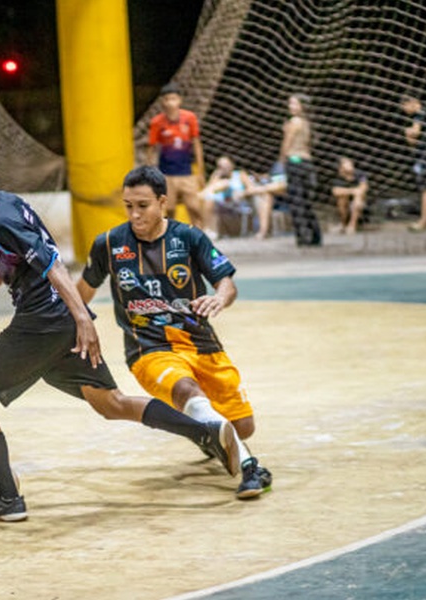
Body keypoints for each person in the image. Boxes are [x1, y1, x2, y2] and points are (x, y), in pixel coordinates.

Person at [0, 152, 245, 523]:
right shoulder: (8, 204)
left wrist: (82, 316)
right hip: (59, 322)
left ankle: (8, 500)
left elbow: (50, 260)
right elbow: (16, 261)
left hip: (42, 323)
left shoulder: (0, 218)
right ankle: (206, 432)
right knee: (110, 403)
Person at [77, 165, 273, 500]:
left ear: (162, 202)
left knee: (243, 427)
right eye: (129, 206)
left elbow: (226, 283)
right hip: (147, 348)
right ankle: (252, 467)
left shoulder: (189, 237)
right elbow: (81, 293)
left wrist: (219, 298)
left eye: (143, 205)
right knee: (186, 390)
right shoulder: (109, 244)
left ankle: (204, 432)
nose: (135, 214)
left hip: (201, 342)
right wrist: (67, 324)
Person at [147, 83, 208, 235]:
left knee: (194, 207)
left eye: (173, 99)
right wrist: (150, 174)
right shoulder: (157, 122)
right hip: (166, 173)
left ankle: (200, 239)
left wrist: (200, 171)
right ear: (162, 102)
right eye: (167, 99)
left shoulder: (189, 118)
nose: (170, 103)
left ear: (179, 100)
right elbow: (152, 148)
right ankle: (169, 241)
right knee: (169, 210)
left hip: (187, 172)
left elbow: (196, 144)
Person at [280, 93, 322, 246]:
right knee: (305, 201)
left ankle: (303, 237)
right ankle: (315, 236)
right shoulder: (307, 123)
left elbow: (287, 143)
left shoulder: (294, 121)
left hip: (295, 161)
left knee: (296, 202)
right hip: (307, 163)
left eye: (294, 103)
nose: (290, 106)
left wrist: (282, 161)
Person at [401, 93, 426, 231]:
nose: (404, 110)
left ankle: (423, 221)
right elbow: (413, 142)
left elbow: (414, 134)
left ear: (413, 102)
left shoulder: (421, 115)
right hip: (423, 156)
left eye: (404, 106)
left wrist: (408, 132)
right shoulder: (422, 116)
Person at [201, 155, 254, 237]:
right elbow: (208, 191)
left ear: (232, 165)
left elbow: (251, 188)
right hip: (222, 204)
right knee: (208, 198)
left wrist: (242, 193)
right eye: (221, 166)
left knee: (220, 187)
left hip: (238, 202)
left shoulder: (240, 174)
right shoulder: (217, 177)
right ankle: (207, 229)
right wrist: (216, 177)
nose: (224, 168)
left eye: (226, 165)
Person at [245, 161, 287, 239]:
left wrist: (259, 189)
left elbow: (283, 185)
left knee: (264, 193)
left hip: (289, 195)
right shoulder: (276, 167)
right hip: (274, 198)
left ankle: (263, 230)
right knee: (266, 196)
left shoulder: (288, 166)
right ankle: (263, 230)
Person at [331, 157, 369, 234]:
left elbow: (364, 187)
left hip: (360, 201)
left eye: (350, 163)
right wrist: (352, 191)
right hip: (345, 202)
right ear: (341, 168)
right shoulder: (338, 177)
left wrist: (356, 192)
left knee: (358, 197)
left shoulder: (360, 174)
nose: (350, 165)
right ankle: (343, 224)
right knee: (342, 198)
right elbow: (335, 191)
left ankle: (352, 225)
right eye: (346, 164)